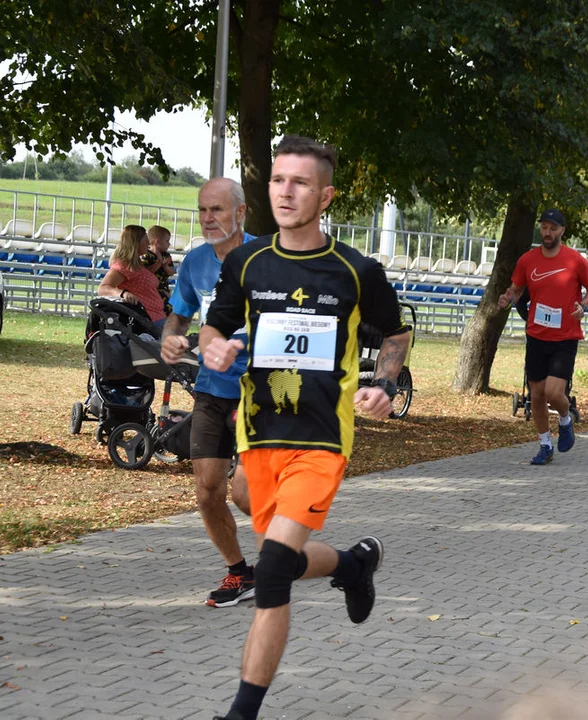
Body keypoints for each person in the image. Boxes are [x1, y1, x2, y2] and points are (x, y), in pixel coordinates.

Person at [201, 136, 410, 720]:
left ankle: (241, 713)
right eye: (277, 181)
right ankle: (352, 564)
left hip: (320, 440)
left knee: (270, 572)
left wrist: (385, 387)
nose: (285, 192)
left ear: (325, 196)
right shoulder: (245, 262)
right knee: (280, 556)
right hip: (259, 438)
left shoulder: (355, 270)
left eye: (299, 183)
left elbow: (395, 334)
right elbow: (213, 328)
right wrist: (214, 350)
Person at [160, 178, 258, 608]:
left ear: (240, 213)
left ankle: (290, 543)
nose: (207, 219)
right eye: (202, 211)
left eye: (216, 210)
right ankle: (240, 572)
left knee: (246, 495)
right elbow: (178, 319)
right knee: (207, 491)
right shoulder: (195, 262)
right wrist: (170, 338)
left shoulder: (266, 258)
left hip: (261, 390)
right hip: (211, 389)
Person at [498, 209, 588, 465]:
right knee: (537, 395)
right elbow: (516, 288)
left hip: (565, 337)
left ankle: (565, 420)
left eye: (553, 228)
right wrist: (507, 297)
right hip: (537, 336)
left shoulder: (575, 260)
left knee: (554, 393)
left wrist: (583, 305)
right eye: (544, 227)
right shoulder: (527, 260)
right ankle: (545, 444)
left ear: (562, 230)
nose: (547, 233)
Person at [97, 224, 167, 328]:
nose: (148, 243)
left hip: (155, 318)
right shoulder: (124, 266)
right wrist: (122, 294)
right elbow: (103, 288)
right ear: (136, 242)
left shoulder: (137, 265)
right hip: (145, 320)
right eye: (145, 240)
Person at [141, 225, 175, 317]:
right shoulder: (147, 255)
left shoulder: (166, 256)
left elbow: (171, 272)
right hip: (151, 291)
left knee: (169, 310)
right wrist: (159, 263)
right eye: (167, 241)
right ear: (157, 242)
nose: (169, 244)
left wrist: (165, 266)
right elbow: (145, 273)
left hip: (164, 289)